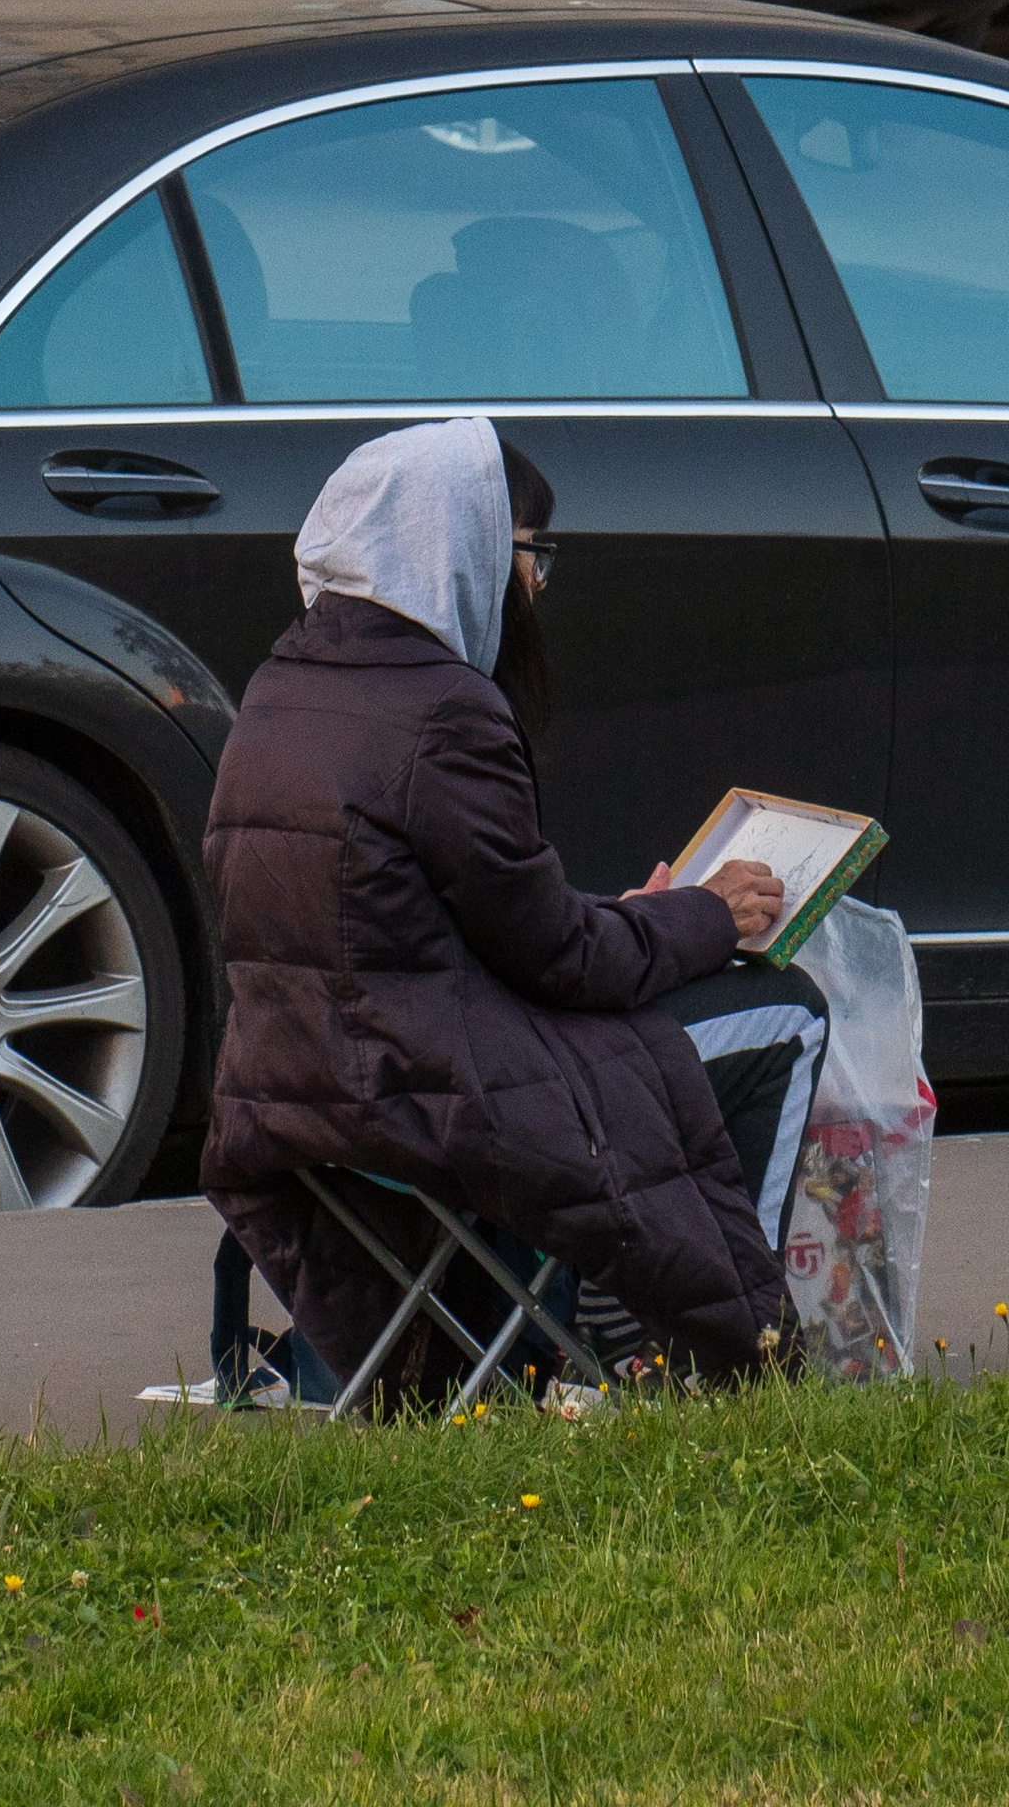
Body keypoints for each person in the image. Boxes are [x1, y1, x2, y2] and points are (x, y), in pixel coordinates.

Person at [200, 416, 828, 1398]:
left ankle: (640, 1310)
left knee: (670, 1016)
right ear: (469, 548)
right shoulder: (444, 707)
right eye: (531, 554)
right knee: (787, 1009)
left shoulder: (284, 686)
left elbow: (426, 921)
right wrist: (707, 915)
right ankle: (713, 1352)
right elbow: (564, 962)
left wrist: (631, 917)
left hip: (293, 1091)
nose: (536, 584)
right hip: (433, 1098)